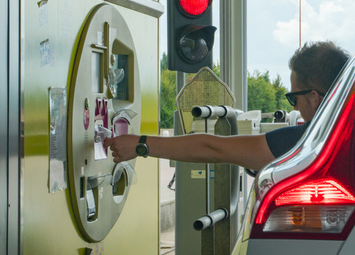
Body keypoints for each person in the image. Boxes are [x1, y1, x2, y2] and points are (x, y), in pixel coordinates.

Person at [104, 41, 350, 172]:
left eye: (293, 98)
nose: (295, 107)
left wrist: (140, 145)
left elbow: (213, 148)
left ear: (315, 97)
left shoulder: (313, 140)